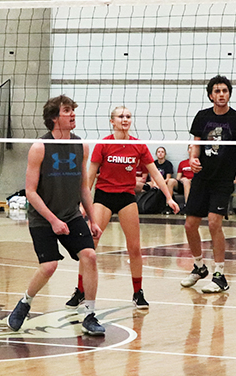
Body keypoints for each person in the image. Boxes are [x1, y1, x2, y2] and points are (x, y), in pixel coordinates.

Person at [7, 95, 105, 336]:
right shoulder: (40, 147)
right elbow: (30, 192)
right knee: (49, 266)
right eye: (67, 110)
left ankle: (89, 314)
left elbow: (84, 186)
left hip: (71, 215)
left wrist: (92, 219)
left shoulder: (81, 145)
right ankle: (25, 303)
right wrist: (53, 220)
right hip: (43, 218)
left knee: (90, 256)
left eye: (73, 110)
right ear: (54, 117)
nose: (73, 114)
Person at [65, 106, 180, 309]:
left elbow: (155, 173)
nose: (125, 119)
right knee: (90, 247)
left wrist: (169, 197)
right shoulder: (103, 145)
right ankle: (80, 290)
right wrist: (83, 204)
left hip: (127, 197)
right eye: (120, 116)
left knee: (134, 248)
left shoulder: (139, 146)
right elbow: (90, 176)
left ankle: (138, 293)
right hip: (104, 197)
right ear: (112, 121)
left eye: (128, 116)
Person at [180, 76, 236, 293]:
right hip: (202, 177)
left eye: (225, 90)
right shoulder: (202, 117)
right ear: (210, 95)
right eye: (217, 91)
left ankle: (220, 274)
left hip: (223, 179)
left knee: (214, 223)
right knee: (189, 225)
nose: (221, 94)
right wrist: (193, 159)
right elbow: (196, 144)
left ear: (229, 93)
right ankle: (199, 266)